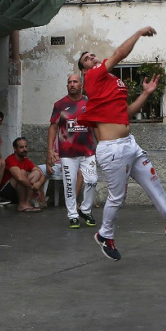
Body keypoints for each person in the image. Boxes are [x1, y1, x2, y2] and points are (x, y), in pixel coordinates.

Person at [78, 26, 166, 261]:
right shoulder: (92, 77)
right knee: (117, 198)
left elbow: (126, 112)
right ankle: (105, 235)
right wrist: (138, 33)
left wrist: (146, 94)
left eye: (92, 54)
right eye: (86, 58)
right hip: (112, 149)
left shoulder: (111, 81)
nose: (91, 57)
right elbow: (119, 55)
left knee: (154, 183)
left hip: (129, 144)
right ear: (84, 68)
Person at [48, 73, 98, 229]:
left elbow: (95, 126)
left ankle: (85, 210)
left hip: (88, 151)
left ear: (81, 85)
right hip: (67, 153)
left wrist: (102, 145)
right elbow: (53, 127)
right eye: (69, 82)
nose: (72, 84)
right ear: (67, 86)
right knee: (70, 184)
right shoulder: (59, 105)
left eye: (75, 82)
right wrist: (50, 150)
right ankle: (73, 216)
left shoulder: (89, 103)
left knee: (92, 180)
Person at [0, 137, 47, 212]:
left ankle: (26, 203)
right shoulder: (10, 159)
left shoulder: (26, 160)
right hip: (7, 192)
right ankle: (22, 204)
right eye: (21, 147)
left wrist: (38, 184)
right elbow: (19, 178)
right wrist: (34, 188)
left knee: (37, 173)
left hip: (21, 191)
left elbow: (42, 175)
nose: (24, 149)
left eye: (25, 147)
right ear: (15, 149)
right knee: (22, 173)